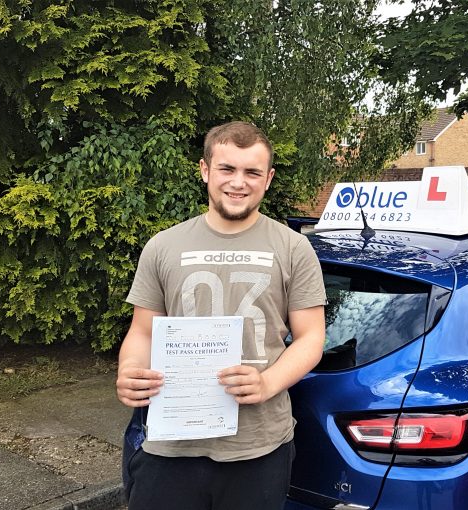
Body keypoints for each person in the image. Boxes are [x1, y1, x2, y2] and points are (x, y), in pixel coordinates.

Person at [115, 121, 326, 509]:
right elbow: (143, 331)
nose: (238, 182)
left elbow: (312, 337)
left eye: (252, 172)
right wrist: (129, 368)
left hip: (258, 445)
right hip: (170, 441)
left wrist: (266, 383)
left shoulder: (294, 248)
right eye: (227, 169)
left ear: (268, 179)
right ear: (205, 170)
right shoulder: (163, 246)